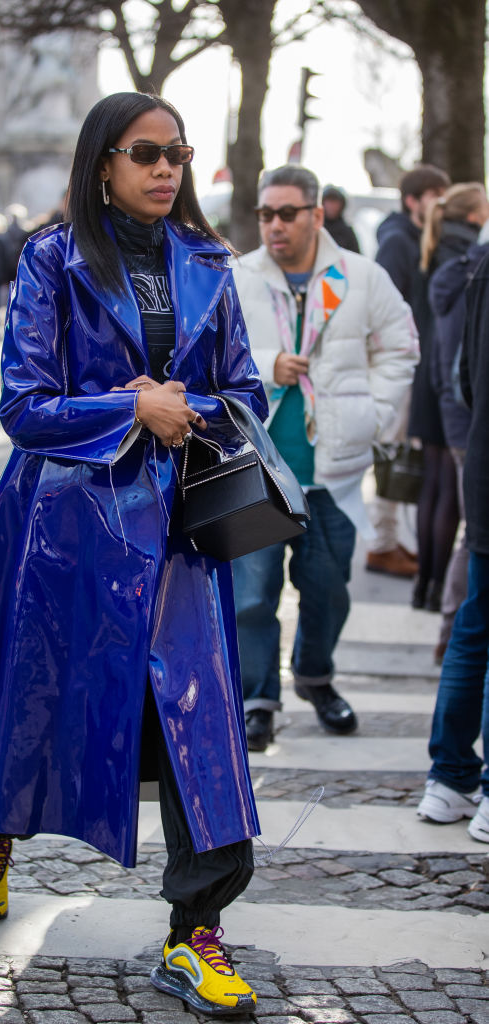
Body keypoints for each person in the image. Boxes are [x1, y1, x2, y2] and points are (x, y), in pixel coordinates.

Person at [0, 92, 266, 1018]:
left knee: (199, 728)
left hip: (178, 537)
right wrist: (127, 407)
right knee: (31, 698)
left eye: (176, 151)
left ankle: (195, 934)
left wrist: (186, 407)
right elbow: (25, 405)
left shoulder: (209, 265)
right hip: (65, 531)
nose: (165, 167)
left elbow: (244, 394)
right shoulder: (50, 259)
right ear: (103, 161)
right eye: (146, 152)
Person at [232, 165, 418, 752]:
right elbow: (207, 356)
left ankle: (315, 676)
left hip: (334, 475)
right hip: (257, 472)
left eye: (287, 213)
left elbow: (399, 348)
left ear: (317, 214)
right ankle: (258, 697)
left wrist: (376, 415)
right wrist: (268, 364)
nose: (274, 225)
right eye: (266, 214)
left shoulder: (359, 276)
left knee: (329, 592)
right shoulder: (239, 278)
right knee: (252, 597)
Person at [415, 245, 489, 844]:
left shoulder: (481, 262)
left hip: (485, 462)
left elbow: (464, 376)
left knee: (475, 624)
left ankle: (451, 777)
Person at [367, 164, 450, 579]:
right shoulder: (398, 240)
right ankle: (382, 544)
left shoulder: (411, 236)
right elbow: (388, 308)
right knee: (390, 451)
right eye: (437, 195)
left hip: (405, 361)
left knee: (396, 450)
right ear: (415, 200)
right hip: (394, 364)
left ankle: (390, 540)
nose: (443, 205)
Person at [409, 183, 489, 612]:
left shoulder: (442, 255)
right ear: (475, 217)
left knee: (437, 489)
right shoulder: (470, 261)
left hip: (435, 382)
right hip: (454, 391)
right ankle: (443, 599)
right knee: (458, 507)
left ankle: (428, 586)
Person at [426, 221, 489, 660]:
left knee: (469, 529)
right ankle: (448, 624)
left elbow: (455, 367)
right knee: (472, 533)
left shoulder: (458, 271)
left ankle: (448, 623)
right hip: (469, 421)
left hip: (462, 416)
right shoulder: (474, 273)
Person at [321, 185, 360, 253]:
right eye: (329, 202)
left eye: (335, 202)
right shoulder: (316, 229)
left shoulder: (347, 232)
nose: (331, 206)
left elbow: (357, 256)